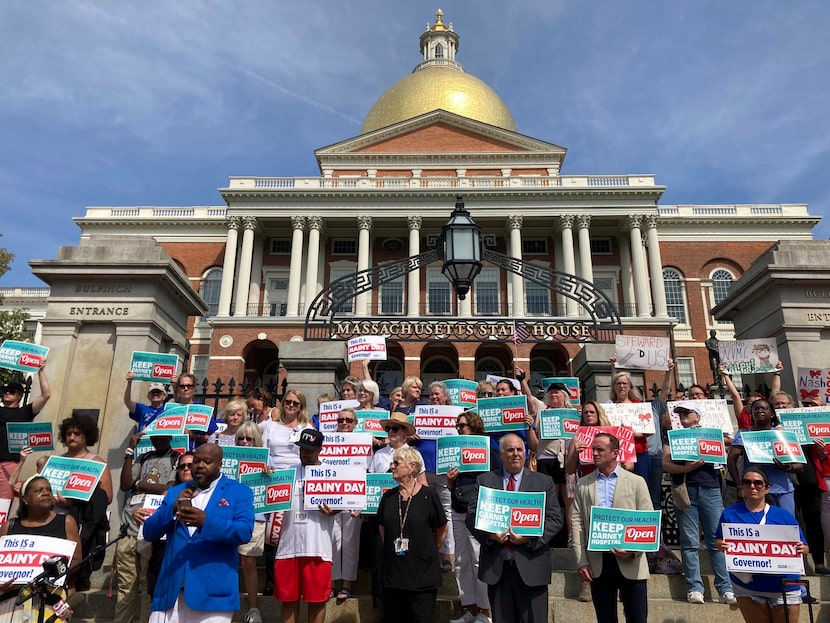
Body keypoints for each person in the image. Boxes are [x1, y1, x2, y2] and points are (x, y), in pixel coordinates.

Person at [143, 443, 255, 623]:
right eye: (196, 461)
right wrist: (171, 509)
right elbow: (149, 532)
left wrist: (206, 523)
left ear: (220, 465)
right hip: (170, 593)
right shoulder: (176, 492)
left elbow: (244, 532)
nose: (200, 465)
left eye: (207, 461)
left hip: (213, 596)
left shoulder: (239, 492)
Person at [466, 434, 561, 623]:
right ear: (501, 454)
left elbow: (555, 520)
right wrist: (491, 536)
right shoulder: (485, 481)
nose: (515, 454)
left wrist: (528, 538)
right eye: (510, 450)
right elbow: (471, 517)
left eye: (519, 450)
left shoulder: (543, 482)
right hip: (498, 570)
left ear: (526, 453)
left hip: (532, 566)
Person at [571, 433, 651, 623]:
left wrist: (633, 551)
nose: (595, 453)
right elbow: (577, 523)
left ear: (615, 453)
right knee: (605, 618)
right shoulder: (583, 484)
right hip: (598, 562)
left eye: (600, 450)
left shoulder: (636, 482)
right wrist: (581, 560)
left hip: (631, 561)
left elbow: (647, 522)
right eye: (593, 449)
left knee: (637, 618)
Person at [662, 401, 735, 604]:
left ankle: (725, 588)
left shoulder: (711, 433)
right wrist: (686, 469)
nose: (683, 416)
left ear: (698, 417)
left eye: (688, 413)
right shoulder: (672, 435)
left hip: (710, 489)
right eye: (680, 413)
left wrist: (715, 441)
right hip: (685, 490)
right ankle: (694, 587)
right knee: (689, 541)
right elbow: (665, 463)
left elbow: (730, 444)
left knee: (716, 540)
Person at [716, 469, 809, 623]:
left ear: (767, 489)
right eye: (747, 482)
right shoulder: (729, 513)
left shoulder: (784, 516)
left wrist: (801, 549)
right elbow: (718, 541)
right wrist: (722, 545)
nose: (752, 486)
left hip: (783, 586)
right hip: (748, 586)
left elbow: (805, 548)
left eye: (758, 483)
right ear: (742, 487)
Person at [275, 428, 339, 623]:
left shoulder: (332, 473)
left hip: (318, 547)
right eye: (302, 449)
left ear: (320, 449)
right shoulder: (287, 473)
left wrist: (335, 510)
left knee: (318, 601)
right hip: (289, 547)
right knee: (288, 600)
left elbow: (345, 502)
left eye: (309, 450)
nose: (304, 453)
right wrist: (266, 475)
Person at [378, 446, 448, 623]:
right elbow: (383, 528)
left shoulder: (428, 495)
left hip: (422, 574)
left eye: (397, 463)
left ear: (411, 467)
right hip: (394, 574)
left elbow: (442, 529)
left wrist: (429, 550)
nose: (392, 466)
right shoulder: (388, 497)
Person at [115, 433, 179, 623]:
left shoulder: (176, 458)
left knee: (147, 587)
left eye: (161, 437)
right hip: (129, 530)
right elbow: (126, 484)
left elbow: (168, 489)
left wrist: (139, 484)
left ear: (169, 437)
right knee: (125, 588)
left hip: (151, 532)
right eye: (154, 438)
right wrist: (130, 450)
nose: (157, 441)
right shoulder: (143, 457)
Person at [0, 475, 82, 619]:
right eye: (39, 490)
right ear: (25, 499)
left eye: (48, 490)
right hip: (12, 599)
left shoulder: (66, 522)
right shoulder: (9, 526)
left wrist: (51, 575)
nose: (45, 493)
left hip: (51, 597)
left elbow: (76, 560)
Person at [259, 388, 314, 596]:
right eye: (288, 402)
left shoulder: (305, 427)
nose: (291, 406)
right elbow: (263, 451)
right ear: (282, 403)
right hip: (274, 480)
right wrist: (266, 466)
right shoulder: (271, 426)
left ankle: (295, 577)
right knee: (272, 532)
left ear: (301, 407)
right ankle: (272, 580)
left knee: (293, 529)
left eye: (296, 403)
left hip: (298, 481)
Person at [55, 413, 113, 591]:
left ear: (87, 436)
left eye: (77, 433)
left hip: (78, 526)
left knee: (71, 573)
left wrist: (73, 502)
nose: (72, 437)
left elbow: (107, 497)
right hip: (51, 522)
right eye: (69, 433)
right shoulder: (56, 461)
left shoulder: (97, 463)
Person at [447, 411, 491, 623]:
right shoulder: (453, 449)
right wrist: (449, 480)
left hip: (478, 510)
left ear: (474, 426)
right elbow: (452, 485)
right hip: (457, 509)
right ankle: (470, 609)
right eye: (457, 425)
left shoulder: (487, 447)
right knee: (462, 561)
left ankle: (486, 612)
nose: (458, 428)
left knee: (477, 560)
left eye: (462, 425)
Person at [133, 451, 195, 599]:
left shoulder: (206, 494)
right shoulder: (167, 493)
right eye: (182, 467)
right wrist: (137, 513)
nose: (186, 469)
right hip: (162, 554)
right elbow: (152, 521)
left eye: (190, 465)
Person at [727, 399, 799, 515]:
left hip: (782, 490)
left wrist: (787, 466)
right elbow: (731, 460)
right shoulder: (744, 434)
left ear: (772, 414)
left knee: (786, 526)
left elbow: (799, 466)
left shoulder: (782, 435)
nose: (759, 411)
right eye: (755, 409)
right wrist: (740, 486)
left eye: (763, 408)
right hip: (755, 490)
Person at [232, 421, 269, 623]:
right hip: (228, 516)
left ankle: (253, 608)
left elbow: (274, 486)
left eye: (249, 438)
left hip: (255, 516)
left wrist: (269, 473)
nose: (244, 442)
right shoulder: (227, 458)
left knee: (248, 561)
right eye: (241, 438)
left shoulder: (266, 458)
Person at [0, 366, 51, 503]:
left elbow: (46, 395)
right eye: (5, 391)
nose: (7, 393)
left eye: (11, 391)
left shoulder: (24, 412)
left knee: (3, 501)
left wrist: (40, 372)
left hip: (8, 462)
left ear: (20, 396)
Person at [330, 408, 361, 600]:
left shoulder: (362, 442)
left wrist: (362, 502)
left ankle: (347, 583)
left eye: (348, 420)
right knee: (333, 541)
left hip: (352, 497)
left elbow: (368, 471)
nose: (344, 423)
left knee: (350, 542)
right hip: (331, 497)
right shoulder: (328, 441)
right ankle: (331, 583)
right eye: (341, 419)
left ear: (355, 423)